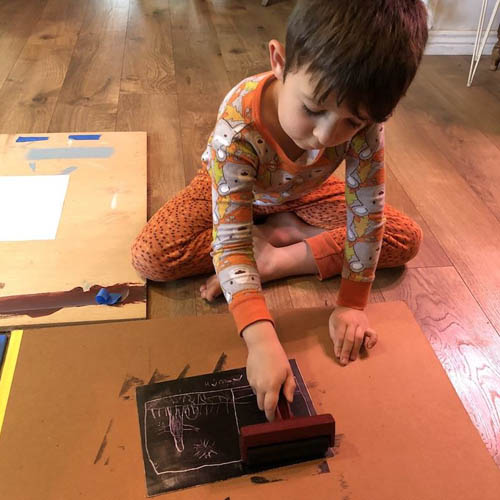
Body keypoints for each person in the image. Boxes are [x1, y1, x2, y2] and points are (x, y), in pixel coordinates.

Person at [132, 0, 428, 421]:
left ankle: (276, 252)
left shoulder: (365, 121)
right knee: (152, 255)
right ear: (279, 62)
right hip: (233, 190)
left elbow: (368, 212)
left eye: (352, 123)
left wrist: (351, 303)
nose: (326, 136)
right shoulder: (237, 127)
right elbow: (230, 238)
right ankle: (275, 241)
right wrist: (260, 337)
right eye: (312, 109)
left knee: (404, 238)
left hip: (305, 193)